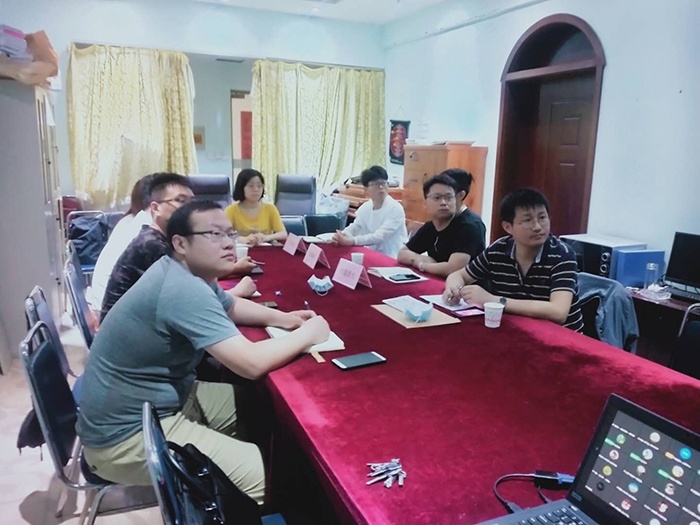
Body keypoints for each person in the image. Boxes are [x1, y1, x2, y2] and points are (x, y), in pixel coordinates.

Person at [77, 200, 330, 503]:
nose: (229, 243)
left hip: (159, 403)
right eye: (214, 234)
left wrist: (285, 319)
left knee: (258, 406)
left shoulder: (186, 273)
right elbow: (250, 364)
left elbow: (230, 306)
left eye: (230, 234)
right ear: (180, 243)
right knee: (275, 478)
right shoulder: (182, 288)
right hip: (125, 438)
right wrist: (308, 334)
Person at [101, 173, 257, 321]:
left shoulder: (161, 237)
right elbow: (192, 304)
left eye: (192, 202)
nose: (189, 208)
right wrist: (237, 291)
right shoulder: (151, 245)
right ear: (155, 208)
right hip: (132, 332)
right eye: (180, 201)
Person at [443, 188, 584, 331]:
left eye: (542, 218)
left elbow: (558, 312)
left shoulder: (562, 255)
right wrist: (453, 289)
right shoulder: (499, 249)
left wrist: (494, 301)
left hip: (561, 336)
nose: (537, 227)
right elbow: (459, 275)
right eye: (528, 220)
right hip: (517, 328)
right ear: (508, 227)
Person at [397, 174, 486, 278]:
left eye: (448, 198)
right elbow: (402, 254)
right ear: (425, 203)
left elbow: (453, 269)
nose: (443, 202)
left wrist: (422, 265)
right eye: (437, 198)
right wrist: (423, 260)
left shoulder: (469, 226)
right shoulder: (431, 226)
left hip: (469, 286)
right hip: (438, 281)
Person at [90, 175, 154, 310]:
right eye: (179, 200)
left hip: (105, 304)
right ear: (155, 204)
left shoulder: (129, 220)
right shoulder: (144, 229)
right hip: (111, 311)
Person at [331, 166, 407, 257]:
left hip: (392, 257)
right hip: (372, 254)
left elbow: (379, 236)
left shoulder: (395, 208)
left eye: (384, 183)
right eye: (376, 184)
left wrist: (351, 241)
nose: (381, 187)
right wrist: (342, 235)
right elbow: (356, 226)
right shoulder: (366, 207)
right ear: (366, 189)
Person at [224, 169, 287, 246]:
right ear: (241, 188)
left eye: (259, 186)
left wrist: (267, 237)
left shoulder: (270, 208)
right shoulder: (231, 210)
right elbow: (224, 235)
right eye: (251, 186)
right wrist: (244, 239)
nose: (256, 189)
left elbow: (283, 234)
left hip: (265, 250)